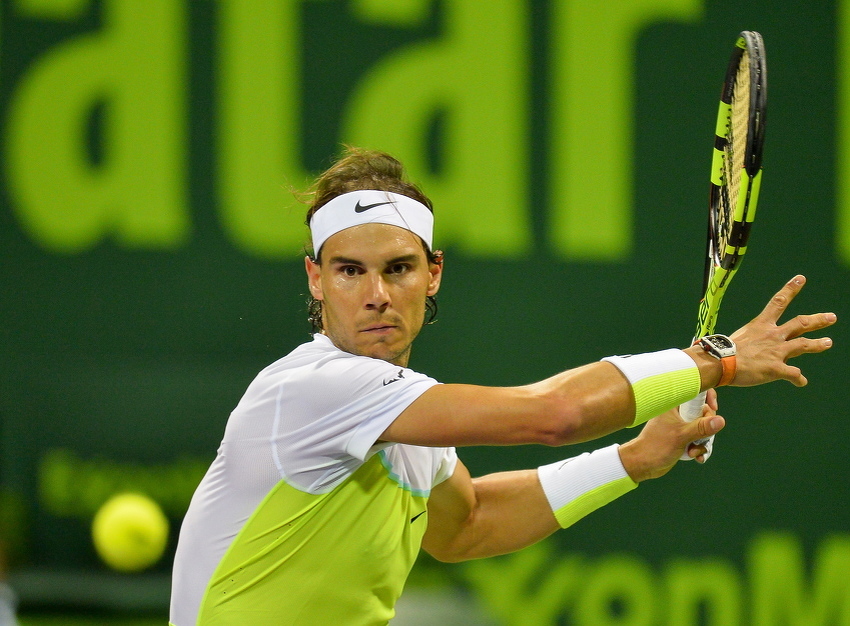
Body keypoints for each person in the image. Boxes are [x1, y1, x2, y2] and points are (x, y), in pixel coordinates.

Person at [169, 147, 836, 625]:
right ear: (316, 279)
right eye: (350, 272)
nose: (375, 295)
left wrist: (631, 460)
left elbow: (469, 526)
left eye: (398, 269)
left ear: (433, 274)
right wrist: (716, 360)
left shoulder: (403, 417)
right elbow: (555, 415)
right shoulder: (316, 389)